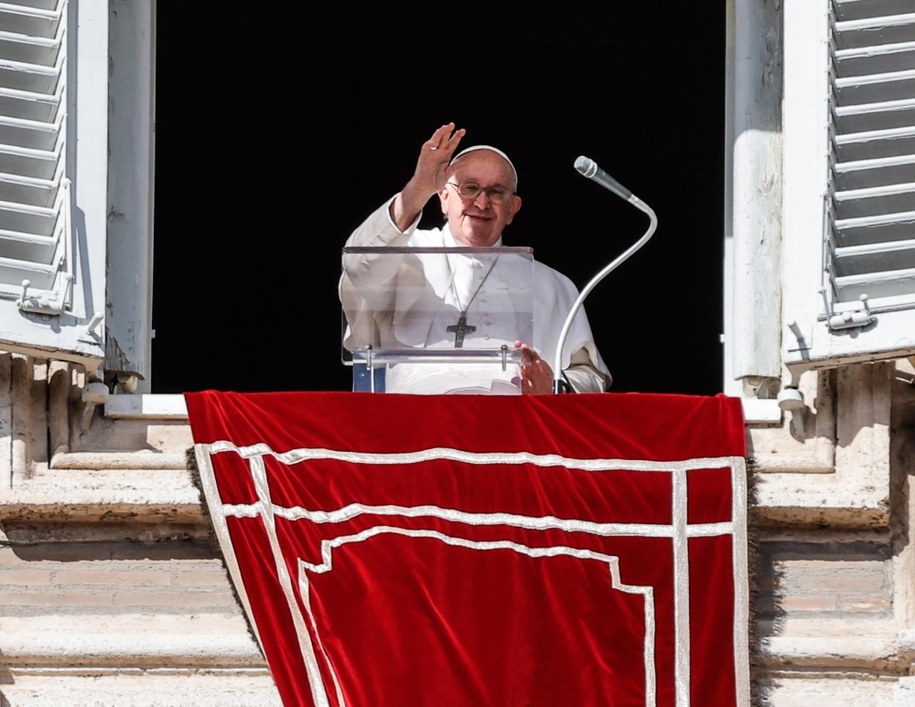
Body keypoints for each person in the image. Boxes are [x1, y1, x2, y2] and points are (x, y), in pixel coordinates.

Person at [340, 123, 611, 395]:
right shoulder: (405, 252)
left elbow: (590, 377)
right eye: (469, 188)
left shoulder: (552, 284)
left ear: (512, 209)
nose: (481, 203)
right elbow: (357, 264)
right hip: (418, 421)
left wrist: (554, 387)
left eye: (496, 192)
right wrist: (417, 190)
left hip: (511, 424)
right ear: (444, 197)